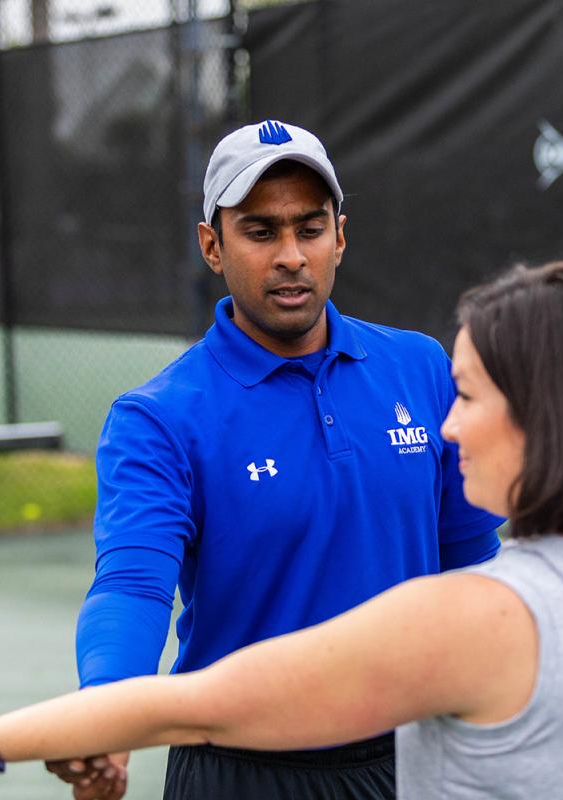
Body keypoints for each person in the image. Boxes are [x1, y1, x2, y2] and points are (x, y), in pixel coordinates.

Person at [0, 261, 563, 800]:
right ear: (213, 244)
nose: (446, 424)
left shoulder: (485, 619)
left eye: (470, 396)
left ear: (540, 417)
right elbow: (133, 588)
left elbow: (207, 702)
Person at [47, 120, 503, 800]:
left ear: (339, 237)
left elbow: (470, 555)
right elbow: (134, 586)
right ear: (212, 245)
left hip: (416, 760)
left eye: (309, 229)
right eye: (261, 232)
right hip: (238, 771)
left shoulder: (421, 368)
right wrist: (109, 706)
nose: (291, 255)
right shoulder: (158, 417)